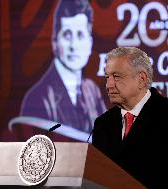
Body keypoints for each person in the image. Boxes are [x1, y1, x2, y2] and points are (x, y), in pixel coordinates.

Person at [92, 47, 168, 188]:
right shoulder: (103, 123)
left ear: (141, 79)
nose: (109, 85)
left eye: (117, 77)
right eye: (107, 77)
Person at [10, 0, 106, 141]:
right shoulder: (38, 98)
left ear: (90, 43)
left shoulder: (92, 91)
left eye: (80, 35)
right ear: (54, 42)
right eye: (67, 35)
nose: (73, 45)